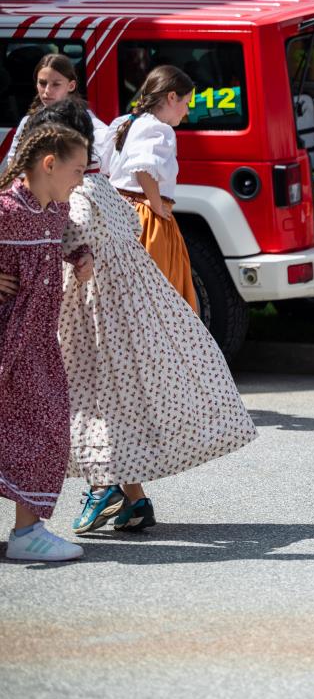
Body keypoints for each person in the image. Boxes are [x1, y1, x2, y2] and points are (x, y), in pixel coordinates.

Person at [16, 100, 257, 535]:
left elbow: (76, 231)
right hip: (135, 303)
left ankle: (103, 486)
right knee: (113, 398)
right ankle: (134, 497)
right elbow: (129, 221)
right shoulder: (101, 184)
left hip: (94, 308)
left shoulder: (73, 194)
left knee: (89, 396)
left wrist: (75, 250)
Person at [0, 123, 91, 561]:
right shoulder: (5, 209)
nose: (81, 180)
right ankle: (27, 534)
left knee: (45, 428)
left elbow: (66, 237)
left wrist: (81, 255)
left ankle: (27, 530)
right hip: (7, 341)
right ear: (49, 164)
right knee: (35, 428)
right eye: (77, 171)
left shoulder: (55, 210)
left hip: (38, 342)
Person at [108, 65, 198, 311]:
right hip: (146, 220)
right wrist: (156, 204)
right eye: (186, 103)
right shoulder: (159, 129)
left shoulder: (130, 122)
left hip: (122, 214)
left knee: (131, 297)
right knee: (157, 299)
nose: (187, 111)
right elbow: (143, 168)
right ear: (172, 97)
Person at [1, 53, 107, 176]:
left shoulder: (87, 121)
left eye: (56, 84)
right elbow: (13, 163)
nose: (47, 91)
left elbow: (105, 158)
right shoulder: (27, 121)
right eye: (42, 83)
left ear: (71, 86)